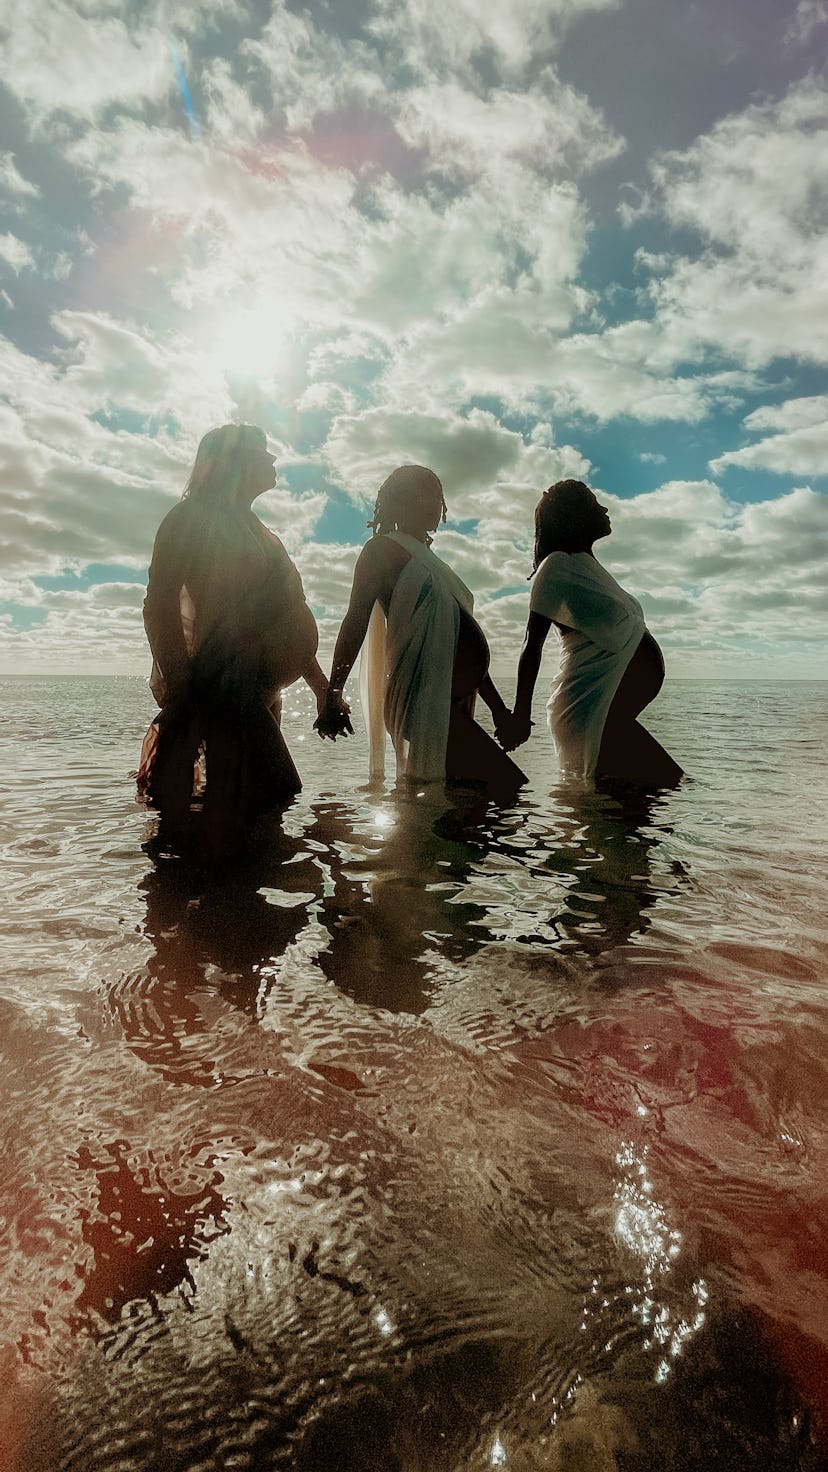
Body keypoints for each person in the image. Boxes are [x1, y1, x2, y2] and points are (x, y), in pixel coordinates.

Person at [137, 423, 342, 843]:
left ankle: (231, 899)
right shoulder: (190, 518)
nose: (272, 459)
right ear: (230, 461)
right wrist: (181, 689)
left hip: (262, 692)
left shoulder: (263, 533)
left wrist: (322, 690)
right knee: (279, 793)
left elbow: (286, 616)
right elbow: (158, 605)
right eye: (261, 450)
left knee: (246, 812)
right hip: (230, 689)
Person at [315, 464, 526, 798]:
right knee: (501, 793)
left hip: (453, 702)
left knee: (462, 806)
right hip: (420, 698)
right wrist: (333, 694)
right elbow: (354, 622)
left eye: (438, 495)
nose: (433, 502)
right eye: (423, 493)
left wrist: (498, 712)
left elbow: (457, 635)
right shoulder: (380, 552)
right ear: (400, 500)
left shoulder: (432, 561)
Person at [498, 479, 683, 788]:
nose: (605, 509)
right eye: (595, 504)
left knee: (649, 800)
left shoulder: (587, 567)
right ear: (574, 516)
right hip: (589, 710)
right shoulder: (555, 567)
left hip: (606, 714)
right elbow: (532, 645)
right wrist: (520, 716)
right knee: (652, 795)